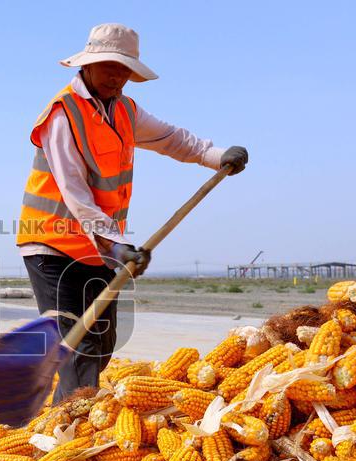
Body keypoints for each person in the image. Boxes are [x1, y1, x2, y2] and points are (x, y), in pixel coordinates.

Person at [16, 23, 248, 402]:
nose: (117, 76)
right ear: (88, 65)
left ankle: (72, 412)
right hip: (52, 243)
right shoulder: (63, 115)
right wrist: (118, 247)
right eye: (110, 65)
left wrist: (216, 155)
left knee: (103, 338)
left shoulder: (125, 111)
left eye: (124, 68)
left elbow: (174, 139)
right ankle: (67, 428)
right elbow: (76, 194)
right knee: (78, 340)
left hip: (99, 246)